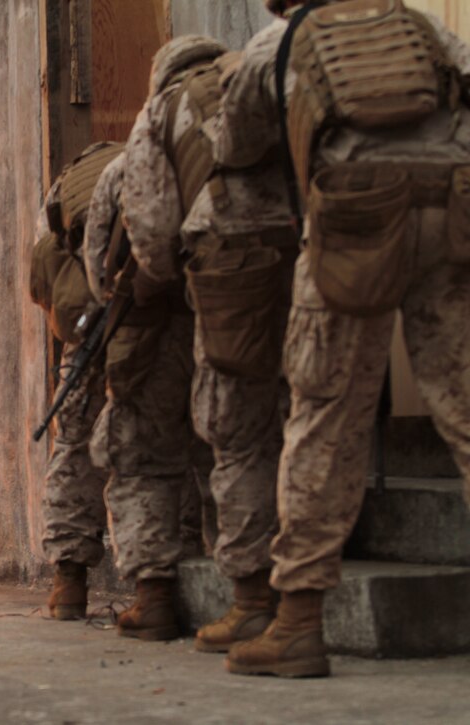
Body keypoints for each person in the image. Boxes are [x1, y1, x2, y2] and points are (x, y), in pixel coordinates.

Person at [215, 0, 470, 677]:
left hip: (353, 224)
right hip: (452, 208)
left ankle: (297, 623)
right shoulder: (420, 25)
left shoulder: (279, 40)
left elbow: (235, 145)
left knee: (326, 414)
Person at [124, 32, 300, 655]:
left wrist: (159, 276)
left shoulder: (163, 109)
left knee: (237, 426)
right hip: (311, 250)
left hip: (231, 267)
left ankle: (254, 601)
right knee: (307, 412)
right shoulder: (262, 70)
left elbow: (150, 226)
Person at [83, 43, 218, 639]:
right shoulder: (247, 109)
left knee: (139, 457)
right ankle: (250, 595)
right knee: (235, 446)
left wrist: (149, 280)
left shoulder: (146, 135)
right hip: (243, 309)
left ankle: (154, 596)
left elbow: (96, 263)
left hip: (155, 329)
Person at [30, 142, 124, 620]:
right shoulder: (139, 165)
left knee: (72, 451)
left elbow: (41, 288)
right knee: (142, 447)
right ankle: (158, 586)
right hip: (139, 321)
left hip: (82, 341)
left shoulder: (65, 198)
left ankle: (69, 584)